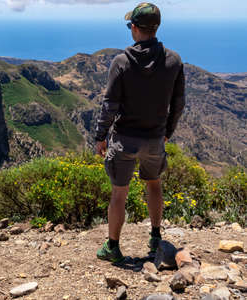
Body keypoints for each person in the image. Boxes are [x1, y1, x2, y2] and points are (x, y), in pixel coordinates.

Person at [95, 2, 185, 263]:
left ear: (134, 28)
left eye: (130, 25)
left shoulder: (121, 62)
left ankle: (113, 247)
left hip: (123, 139)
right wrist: (168, 132)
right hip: (155, 137)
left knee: (119, 192)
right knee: (154, 185)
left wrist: (100, 136)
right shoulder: (174, 60)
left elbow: (109, 104)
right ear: (156, 28)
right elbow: (178, 104)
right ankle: (156, 237)